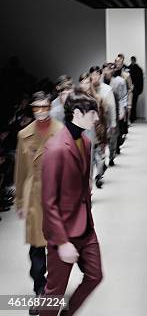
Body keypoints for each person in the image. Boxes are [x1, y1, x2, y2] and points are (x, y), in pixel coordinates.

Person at [40, 90, 103, 316]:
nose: (97, 118)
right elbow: (48, 202)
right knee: (54, 293)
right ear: (77, 113)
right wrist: (62, 242)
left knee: (95, 276)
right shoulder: (55, 150)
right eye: (93, 113)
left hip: (85, 227)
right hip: (63, 232)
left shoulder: (85, 142)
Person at [14, 91, 64, 308]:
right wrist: (18, 202)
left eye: (45, 106)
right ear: (32, 109)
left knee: (55, 246)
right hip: (34, 196)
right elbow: (20, 171)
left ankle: (52, 291)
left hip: (57, 195)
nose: (41, 111)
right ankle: (40, 290)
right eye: (37, 107)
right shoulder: (23, 135)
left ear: (49, 107)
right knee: (36, 247)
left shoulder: (61, 132)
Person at [90, 66, 116, 169]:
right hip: (91, 123)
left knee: (102, 144)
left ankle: (102, 166)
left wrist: (113, 123)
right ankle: (99, 165)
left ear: (100, 75)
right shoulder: (88, 88)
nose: (94, 77)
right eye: (92, 74)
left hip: (104, 122)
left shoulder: (107, 89)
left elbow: (112, 107)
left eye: (97, 74)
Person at [128, 56, 144, 122]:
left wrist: (140, 89)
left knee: (134, 103)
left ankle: (133, 117)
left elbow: (141, 80)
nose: (133, 61)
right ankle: (131, 117)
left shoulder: (138, 69)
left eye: (133, 60)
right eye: (132, 60)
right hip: (130, 89)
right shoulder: (129, 69)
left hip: (136, 89)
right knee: (130, 103)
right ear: (131, 60)